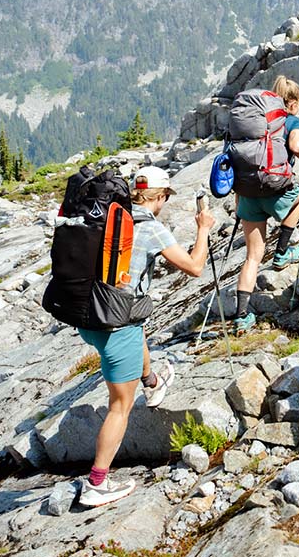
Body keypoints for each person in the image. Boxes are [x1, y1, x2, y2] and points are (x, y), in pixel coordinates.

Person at [77, 165, 216, 508]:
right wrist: (203, 230)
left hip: (88, 313)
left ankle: (151, 381)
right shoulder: (151, 228)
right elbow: (195, 267)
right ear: (159, 197)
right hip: (115, 324)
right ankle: (97, 483)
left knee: (136, 322)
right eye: (166, 197)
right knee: (120, 406)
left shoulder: (109, 215)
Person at [232, 76, 299, 331]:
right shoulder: (293, 120)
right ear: (293, 102)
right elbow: (296, 146)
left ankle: (241, 316)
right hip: (275, 188)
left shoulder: (256, 124)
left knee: (252, 257)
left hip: (249, 193)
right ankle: (282, 252)